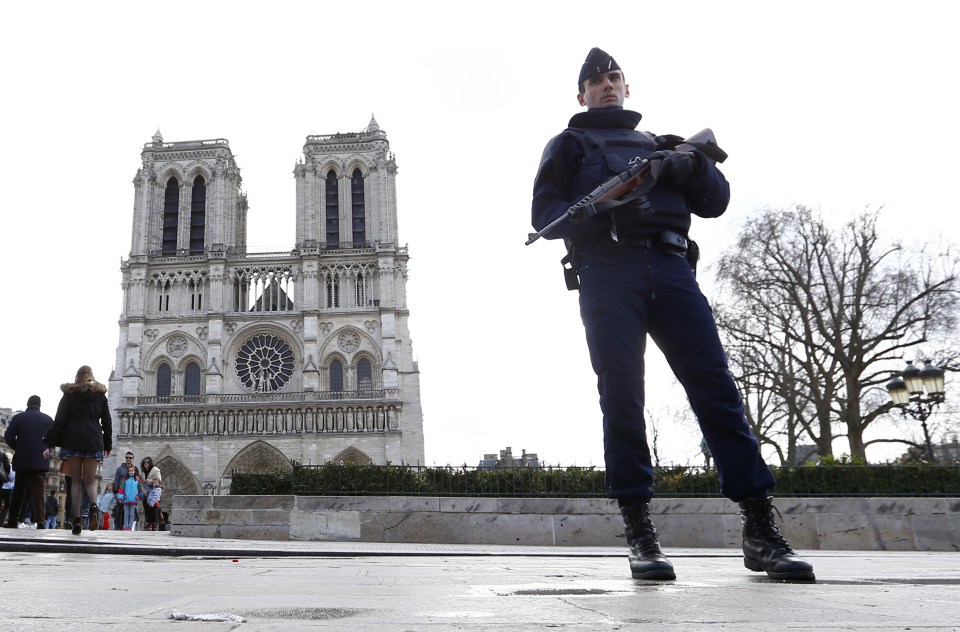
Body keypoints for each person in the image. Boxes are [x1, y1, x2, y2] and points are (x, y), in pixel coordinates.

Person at [531, 48, 814, 581]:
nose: (606, 86)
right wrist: (609, 207)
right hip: (607, 272)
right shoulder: (569, 145)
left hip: (670, 266)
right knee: (621, 396)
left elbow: (716, 202)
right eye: (596, 82)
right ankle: (640, 533)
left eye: (614, 78)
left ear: (627, 87)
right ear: (580, 96)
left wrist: (693, 164)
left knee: (716, 389)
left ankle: (760, 530)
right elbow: (547, 220)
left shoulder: (661, 146)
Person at [43, 366, 113, 536]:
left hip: (73, 440)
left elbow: (59, 420)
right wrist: (107, 445)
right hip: (93, 440)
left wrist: (50, 443)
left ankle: (76, 521)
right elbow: (107, 422)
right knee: (90, 482)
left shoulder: (69, 394)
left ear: (77, 377)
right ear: (92, 377)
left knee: (76, 482)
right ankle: (94, 508)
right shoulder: (100, 396)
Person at [3, 396, 54, 529]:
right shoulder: (48, 419)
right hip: (40, 461)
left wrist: (18, 447)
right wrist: (45, 451)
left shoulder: (19, 418)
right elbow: (54, 440)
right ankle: (41, 522)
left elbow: (8, 437)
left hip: (22, 460)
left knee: (18, 491)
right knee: (38, 492)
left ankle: (13, 520)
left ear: (28, 404)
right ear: (39, 405)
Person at [114, 451, 139, 529]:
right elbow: (116, 480)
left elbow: (138, 481)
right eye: (127, 457)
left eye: (130, 457)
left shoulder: (135, 469)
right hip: (121, 493)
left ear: (132, 459)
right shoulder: (119, 469)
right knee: (119, 510)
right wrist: (116, 492)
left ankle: (130, 527)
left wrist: (139, 494)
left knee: (132, 512)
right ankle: (118, 527)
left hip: (131, 495)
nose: (128, 459)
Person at [116, 466, 143, 531]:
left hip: (134, 499)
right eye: (129, 471)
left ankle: (130, 527)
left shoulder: (137, 481)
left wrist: (139, 496)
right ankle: (125, 527)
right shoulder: (125, 481)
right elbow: (121, 490)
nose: (131, 472)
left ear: (134, 472)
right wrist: (120, 498)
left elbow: (140, 490)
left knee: (131, 514)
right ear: (128, 472)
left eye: (132, 471)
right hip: (126, 499)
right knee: (126, 514)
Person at [140, 456, 162, 531]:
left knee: (153, 510)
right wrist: (144, 492)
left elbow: (158, 481)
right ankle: (148, 525)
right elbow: (141, 484)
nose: (146, 463)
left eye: (148, 462)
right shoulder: (142, 472)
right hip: (145, 494)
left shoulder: (155, 470)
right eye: (144, 462)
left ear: (150, 463)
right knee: (147, 510)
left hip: (153, 493)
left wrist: (148, 481)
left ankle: (154, 525)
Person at [0, 453, 13, 525]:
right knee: (7, 505)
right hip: (6, 487)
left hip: (2, 486)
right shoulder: (10, 466)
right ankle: (1, 520)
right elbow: (11, 477)